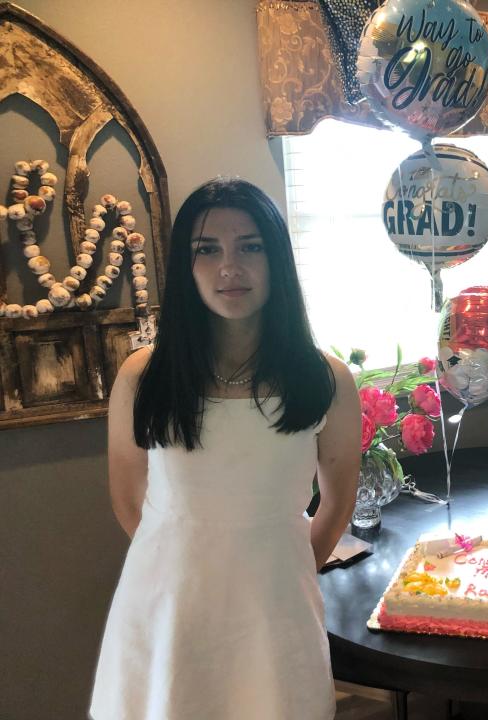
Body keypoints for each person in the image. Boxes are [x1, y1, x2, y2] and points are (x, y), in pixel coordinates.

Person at [90, 178, 360, 719]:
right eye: (206, 250)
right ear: (186, 267)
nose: (229, 267)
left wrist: (275, 568)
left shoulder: (325, 379)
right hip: (168, 609)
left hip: (276, 610)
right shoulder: (143, 377)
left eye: (250, 247)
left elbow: (336, 504)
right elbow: (129, 501)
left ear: (276, 259)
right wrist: (193, 563)